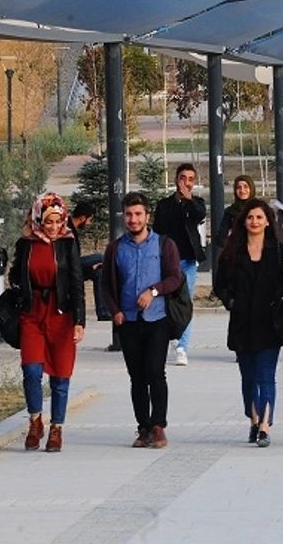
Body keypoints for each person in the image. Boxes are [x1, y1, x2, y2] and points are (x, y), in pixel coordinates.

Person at [103, 192, 183, 449]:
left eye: (138, 214)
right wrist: (114, 310)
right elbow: (106, 284)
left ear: (148, 216)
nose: (133, 219)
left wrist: (154, 291)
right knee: (136, 376)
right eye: (129, 214)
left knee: (155, 372)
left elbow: (175, 277)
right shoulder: (115, 248)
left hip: (156, 318)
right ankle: (143, 427)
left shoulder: (163, 244)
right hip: (128, 320)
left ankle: (159, 425)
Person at [11, 193, 84, 452]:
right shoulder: (26, 243)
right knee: (31, 370)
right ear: (39, 218)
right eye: (48, 221)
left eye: (57, 221)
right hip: (32, 312)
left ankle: (56, 428)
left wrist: (80, 320)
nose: (53, 227)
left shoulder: (68, 243)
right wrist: (20, 292)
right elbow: (15, 273)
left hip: (61, 314)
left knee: (60, 374)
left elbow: (76, 282)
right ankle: (35, 421)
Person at [214, 198, 283, 448]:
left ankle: (265, 426)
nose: (254, 221)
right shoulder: (232, 252)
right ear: (243, 221)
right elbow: (219, 284)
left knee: (266, 376)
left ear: (267, 221)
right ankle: (253, 420)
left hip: (269, 323)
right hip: (242, 322)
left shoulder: (278, 251)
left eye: (259, 217)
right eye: (250, 217)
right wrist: (231, 301)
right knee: (248, 377)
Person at [152, 162, 205, 367]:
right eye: (183, 178)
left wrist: (189, 200)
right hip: (167, 261)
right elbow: (157, 232)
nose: (186, 183)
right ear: (176, 179)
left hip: (188, 261)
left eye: (191, 179)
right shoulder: (164, 205)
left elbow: (200, 214)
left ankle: (182, 347)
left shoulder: (196, 203)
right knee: (164, 302)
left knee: (184, 303)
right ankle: (163, 342)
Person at [70, 201, 112, 351]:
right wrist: (87, 266)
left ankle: (103, 311)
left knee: (99, 271)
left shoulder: (72, 229)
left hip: (74, 267)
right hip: (69, 269)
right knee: (100, 258)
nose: (89, 223)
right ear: (82, 218)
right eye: (90, 219)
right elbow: (71, 261)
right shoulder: (68, 230)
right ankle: (103, 311)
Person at [217, 175, 256, 247]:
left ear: (251, 188)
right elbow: (221, 237)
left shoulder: (260, 208)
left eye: (246, 186)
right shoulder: (230, 211)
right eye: (238, 187)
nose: (242, 190)